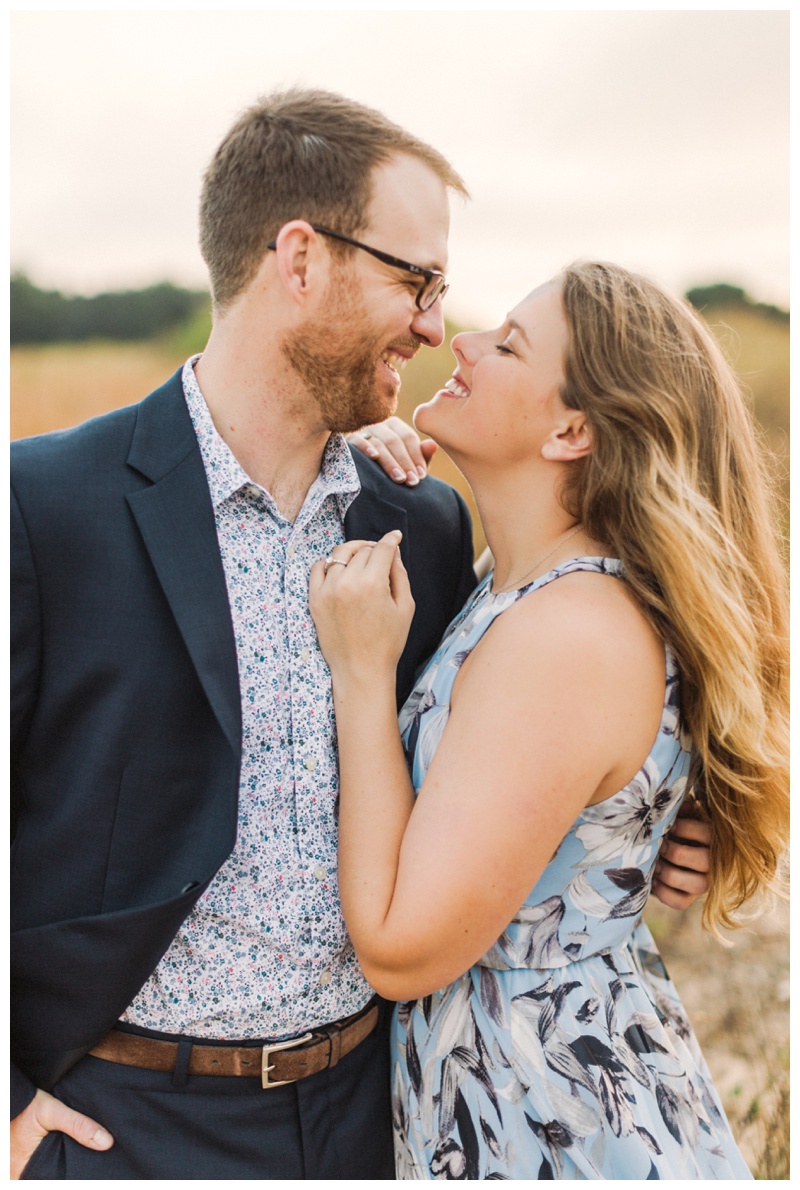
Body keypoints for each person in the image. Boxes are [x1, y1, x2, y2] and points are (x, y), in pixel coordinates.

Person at [10, 88, 709, 1178]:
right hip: (130, 1127)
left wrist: (636, 838)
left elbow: (497, 764)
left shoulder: (422, 523)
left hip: (376, 1115)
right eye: (413, 278)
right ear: (300, 258)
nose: (435, 322)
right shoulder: (44, 503)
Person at [309, 262, 789, 1179]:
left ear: (573, 429)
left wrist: (362, 676)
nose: (465, 339)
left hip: (551, 1125)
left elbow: (403, 953)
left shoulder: (568, 632)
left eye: (509, 344)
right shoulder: (518, 584)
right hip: (519, 1101)